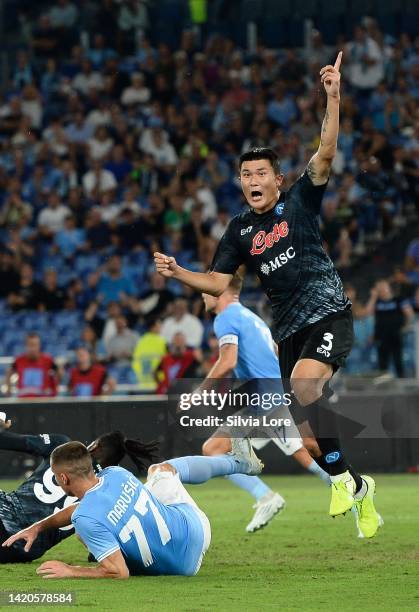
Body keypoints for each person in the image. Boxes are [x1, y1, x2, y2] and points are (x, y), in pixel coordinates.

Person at [154, 53, 381, 538]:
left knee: (303, 389)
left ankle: (343, 484)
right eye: (246, 175)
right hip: (290, 331)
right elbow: (220, 283)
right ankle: (356, 488)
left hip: (329, 314)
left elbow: (325, 150)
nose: (254, 181)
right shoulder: (238, 230)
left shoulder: (299, 200)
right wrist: (179, 272)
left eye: (262, 174)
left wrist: (334, 95)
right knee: (311, 442)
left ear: (277, 179)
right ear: (240, 183)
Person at [2, 433, 262, 575]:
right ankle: (239, 462)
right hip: (197, 530)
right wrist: (38, 527)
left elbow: (118, 573)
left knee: (87, 528)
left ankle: (240, 462)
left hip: (184, 569)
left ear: (63, 478)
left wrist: (71, 570)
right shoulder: (118, 475)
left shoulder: (86, 518)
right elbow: (80, 509)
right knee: (162, 471)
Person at [201, 273, 331, 533]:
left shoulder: (225, 317)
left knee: (213, 449)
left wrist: (199, 392)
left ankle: (266, 496)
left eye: (205, 289)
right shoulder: (251, 317)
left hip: (264, 399)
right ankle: (352, 490)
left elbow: (227, 362)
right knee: (305, 452)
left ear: (220, 290)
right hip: (276, 393)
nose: (202, 294)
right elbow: (276, 350)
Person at [364, 280, 414, 377]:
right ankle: (384, 385)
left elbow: (410, 314)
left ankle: (401, 380)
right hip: (381, 336)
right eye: (379, 288)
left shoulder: (399, 299)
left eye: (383, 287)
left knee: (398, 360)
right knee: (382, 363)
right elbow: (367, 312)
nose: (381, 289)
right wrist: (373, 297)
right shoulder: (377, 302)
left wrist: (405, 326)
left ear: (389, 287)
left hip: (396, 334)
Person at [5, 332, 58, 398]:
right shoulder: (19, 360)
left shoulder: (48, 360)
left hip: (42, 400)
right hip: (23, 400)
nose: (33, 348)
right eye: (30, 345)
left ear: (39, 345)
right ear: (26, 346)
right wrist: (8, 389)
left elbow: (58, 374)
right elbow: (9, 371)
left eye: (35, 345)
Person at [131, 318, 167, 392]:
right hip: (146, 378)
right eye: (158, 325)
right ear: (152, 327)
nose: (160, 327)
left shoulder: (163, 341)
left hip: (157, 377)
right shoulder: (142, 341)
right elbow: (136, 359)